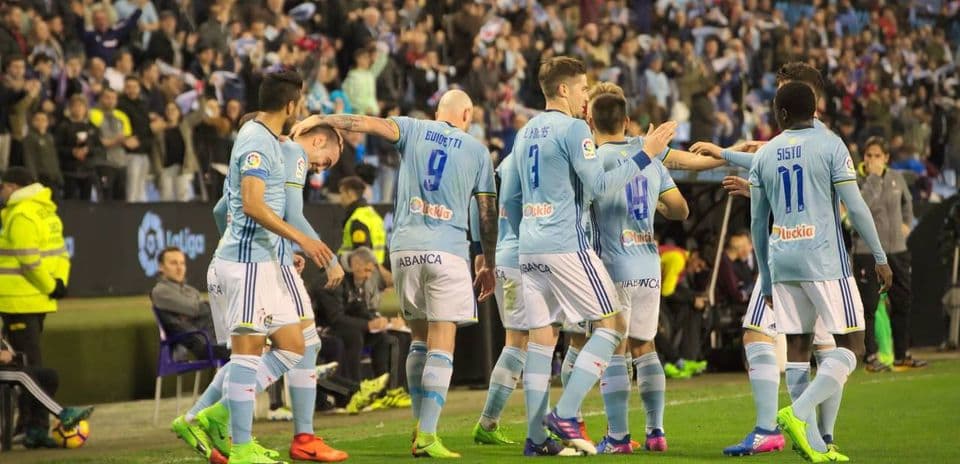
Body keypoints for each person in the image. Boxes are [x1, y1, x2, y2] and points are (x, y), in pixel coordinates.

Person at [291, 88, 499, 458]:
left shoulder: (414, 128)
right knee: (441, 338)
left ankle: (420, 429)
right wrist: (486, 260)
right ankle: (429, 434)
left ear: (439, 112)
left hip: (404, 249)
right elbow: (486, 213)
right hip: (447, 249)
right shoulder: (477, 151)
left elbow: (364, 124)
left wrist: (320, 121)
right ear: (467, 114)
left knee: (418, 338)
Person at [169, 70, 338, 464]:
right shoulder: (257, 141)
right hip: (245, 266)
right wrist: (302, 239)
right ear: (292, 104)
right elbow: (251, 204)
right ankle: (241, 447)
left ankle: (214, 414)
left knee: (295, 347)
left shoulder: (267, 140)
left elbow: (224, 208)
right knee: (247, 356)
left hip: (261, 264)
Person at [510, 56, 674, 457]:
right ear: (564, 90)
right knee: (613, 326)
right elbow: (600, 186)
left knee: (540, 341)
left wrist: (525, 235)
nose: (586, 95)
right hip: (566, 245)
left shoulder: (525, 131)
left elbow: (512, 197)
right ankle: (565, 414)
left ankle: (536, 439)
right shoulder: (573, 130)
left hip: (529, 248)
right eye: (582, 87)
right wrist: (646, 153)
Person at [694, 62, 847, 457]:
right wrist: (757, 189)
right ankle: (822, 438)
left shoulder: (802, 138)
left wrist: (724, 153)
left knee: (757, 334)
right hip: (825, 257)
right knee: (824, 345)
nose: (777, 99)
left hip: (789, 253)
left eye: (784, 90)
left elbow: (767, 158)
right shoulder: (824, 140)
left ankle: (770, 429)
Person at [750, 82, 892, 462]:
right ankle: (797, 414)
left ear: (779, 115)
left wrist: (765, 274)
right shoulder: (830, 145)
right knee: (853, 346)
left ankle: (814, 445)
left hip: (783, 262)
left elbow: (756, 222)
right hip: (825, 261)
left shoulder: (765, 154)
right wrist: (880, 255)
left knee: (797, 349)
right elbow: (856, 206)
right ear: (814, 111)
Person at [0, 166, 69, 445]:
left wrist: (48, 285)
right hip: (38, 300)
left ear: (14, 187)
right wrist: (58, 284)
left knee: (25, 368)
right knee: (29, 365)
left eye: (3, 186)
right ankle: (29, 425)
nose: (1, 191)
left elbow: (28, 261)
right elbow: (61, 253)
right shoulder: (46, 210)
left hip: (18, 300)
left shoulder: (20, 214)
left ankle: (34, 428)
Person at [852, 137, 926, 370]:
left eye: (877, 155)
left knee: (902, 302)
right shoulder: (855, 179)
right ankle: (871, 356)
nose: (872, 159)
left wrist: (907, 224)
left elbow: (907, 204)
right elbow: (859, 208)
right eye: (868, 155)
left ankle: (901, 354)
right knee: (869, 306)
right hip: (867, 250)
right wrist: (873, 178)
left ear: (886, 158)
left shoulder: (896, 178)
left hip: (897, 250)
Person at [312, 246, 408, 413]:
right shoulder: (331, 279)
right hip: (325, 329)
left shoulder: (356, 279)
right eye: (366, 271)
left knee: (387, 339)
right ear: (356, 264)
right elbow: (335, 318)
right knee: (353, 336)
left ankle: (385, 393)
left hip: (346, 327)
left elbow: (358, 307)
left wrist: (376, 320)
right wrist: (367, 325)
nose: (368, 276)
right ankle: (355, 394)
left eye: (371, 272)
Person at [0, 334, 93, 449]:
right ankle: (63, 413)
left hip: (7, 367)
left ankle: (36, 430)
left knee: (49, 376)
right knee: (22, 375)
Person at [150, 246, 229, 361]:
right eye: (173, 263)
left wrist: (196, 311)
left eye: (182, 263)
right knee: (244, 354)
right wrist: (201, 308)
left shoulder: (191, 291)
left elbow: (199, 309)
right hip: (199, 344)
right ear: (161, 267)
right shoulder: (160, 291)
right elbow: (197, 309)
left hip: (213, 340)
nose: (179, 268)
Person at [336, 175, 386, 264]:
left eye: (341, 193)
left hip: (364, 272)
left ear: (350, 193)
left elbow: (362, 255)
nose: (340, 197)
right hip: (376, 269)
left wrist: (340, 260)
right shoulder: (373, 214)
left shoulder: (358, 219)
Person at [22, 110, 63, 195]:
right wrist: (34, 180)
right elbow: (29, 159)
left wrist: (59, 176)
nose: (40, 122)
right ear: (32, 122)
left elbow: (54, 158)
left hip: (53, 177)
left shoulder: (49, 137)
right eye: (37, 119)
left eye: (43, 120)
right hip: (41, 177)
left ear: (47, 122)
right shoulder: (30, 138)